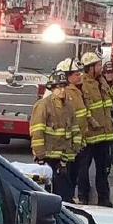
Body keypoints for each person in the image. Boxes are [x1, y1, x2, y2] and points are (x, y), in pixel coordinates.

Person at [30, 70, 80, 202]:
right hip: (47, 157)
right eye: (58, 87)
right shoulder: (43, 105)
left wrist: (75, 148)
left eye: (63, 86)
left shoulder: (69, 106)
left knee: (65, 193)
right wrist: (40, 156)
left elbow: (75, 129)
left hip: (65, 157)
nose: (62, 90)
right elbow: (37, 131)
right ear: (52, 89)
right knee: (49, 194)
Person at [74, 51, 113, 206]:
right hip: (90, 135)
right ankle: (83, 197)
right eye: (98, 65)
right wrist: (91, 122)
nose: (101, 67)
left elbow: (109, 102)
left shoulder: (101, 82)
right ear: (90, 68)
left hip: (104, 135)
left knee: (103, 170)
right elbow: (83, 108)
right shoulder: (83, 84)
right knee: (83, 169)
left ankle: (104, 199)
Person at [57, 58, 89, 197]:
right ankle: (67, 200)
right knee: (67, 175)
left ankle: (70, 197)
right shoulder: (67, 93)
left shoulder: (77, 90)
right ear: (67, 76)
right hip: (69, 143)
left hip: (78, 140)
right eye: (76, 74)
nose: (80, 76)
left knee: (74, 173)